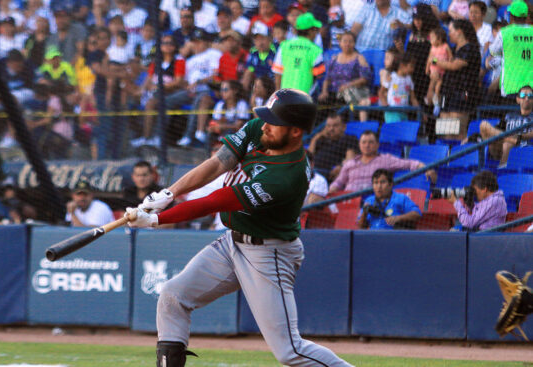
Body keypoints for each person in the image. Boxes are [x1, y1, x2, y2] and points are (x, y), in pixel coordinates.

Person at [124, 88, 353, 367]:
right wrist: (168, 194)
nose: (265, 125)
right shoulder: (263, 129)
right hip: (233, 243)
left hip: (270, 254)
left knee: (290, 350)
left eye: (274, 122)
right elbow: (218, 163)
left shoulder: (286, 176)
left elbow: (216, 201)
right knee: (172, 296)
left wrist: (156, 219)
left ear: (295, 131)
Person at [329, 130, 437, 193]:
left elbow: (409, 163)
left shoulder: (386, 160)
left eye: (371, 142)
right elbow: (339, 182)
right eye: (364, 142)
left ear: (377, 145)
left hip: (373, 200)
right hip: (349, 201)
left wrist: (425, 168)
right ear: (359, 145)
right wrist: (332, 189)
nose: (367, 145)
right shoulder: (350, 163)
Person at [436, 19, 481, 140]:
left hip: (461, 95)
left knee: (458, 134)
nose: (448, 34)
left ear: (459, 31)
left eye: (450, 31)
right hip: (448, 96)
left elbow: (454, 66)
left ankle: (460, 158)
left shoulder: (470, 49)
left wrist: (434, 61)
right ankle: (448, 158)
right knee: (446, 134)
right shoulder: (453, 50)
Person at [318, 32, 372, 121]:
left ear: (354, 43)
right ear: (340, 43)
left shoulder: (359, 58)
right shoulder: (334, 58)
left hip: (351, 92)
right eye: (345, 41)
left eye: (350, 41)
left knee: (343, 100)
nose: (347, 44)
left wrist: (348, 85)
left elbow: (364, 79)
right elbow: (327, 79)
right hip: (333, 93)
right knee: (319, 102)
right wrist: (324, 91)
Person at [479, 85, 533, 166]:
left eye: (530, 96)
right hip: (502, 147)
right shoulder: (508, 116)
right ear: (518, 100)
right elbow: (496, 130)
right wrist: (471, 137)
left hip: (525, 149)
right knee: (484, 124)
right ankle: (510, 139)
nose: (526, 98)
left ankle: (502, 171)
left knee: (507, 144)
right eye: (523, 96)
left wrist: (519, 137)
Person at [489, 0, 533, 98]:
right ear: (526, 16)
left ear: (512, 16)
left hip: (511, 86)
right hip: (531, 87)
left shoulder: (504, 32)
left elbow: (493, 51)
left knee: (510, 113)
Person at [272, 13, 325, 94]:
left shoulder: (284, 46)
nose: (316, 33)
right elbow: (319, 75)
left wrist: (278, 92)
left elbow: (277, 72)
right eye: (315, 30)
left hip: (285, 96)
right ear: (310, 31)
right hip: (305, 98)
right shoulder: (315, 50)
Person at [357, 169, 422, 229]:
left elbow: (417, 214)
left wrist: (398, 218)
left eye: (382, 182)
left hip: (394, 238)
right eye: (376, 183)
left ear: (391, 184)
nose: (379, 186)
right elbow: (361, 227)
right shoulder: (369, 200)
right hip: (373, 237)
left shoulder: (401, 198)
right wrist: (364, 213)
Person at [307, 112, 358, 180]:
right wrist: (315, 138)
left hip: (329, 174)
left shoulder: (349, 139)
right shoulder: (322, 140)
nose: (331, 129)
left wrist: (341, 167)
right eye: (328, 126)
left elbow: (350, 158)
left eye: (335, 125)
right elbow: (309, 157)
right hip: (312, 172)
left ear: (343, 127)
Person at [379, 52, 418, 123]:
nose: (413, 69)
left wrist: (419, 111)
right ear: (402, 65)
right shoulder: (392, 77)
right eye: (411, 66)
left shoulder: (409, 80)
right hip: (392, 112)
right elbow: (381, 92)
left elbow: (413, 98)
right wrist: (385, 104)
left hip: (404, 112)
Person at [424, 27, 452, 108]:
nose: (430, 40)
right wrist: (427, 68)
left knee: (439, 84)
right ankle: (430, 97)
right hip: (434, 69)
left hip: (443, 69)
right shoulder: (432, 48)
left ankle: (436, 97)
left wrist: (450, 61)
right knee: (434, 81)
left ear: (439, 39)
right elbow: (429, 59)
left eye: (432, 38)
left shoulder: (445, 46)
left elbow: (450, 56)